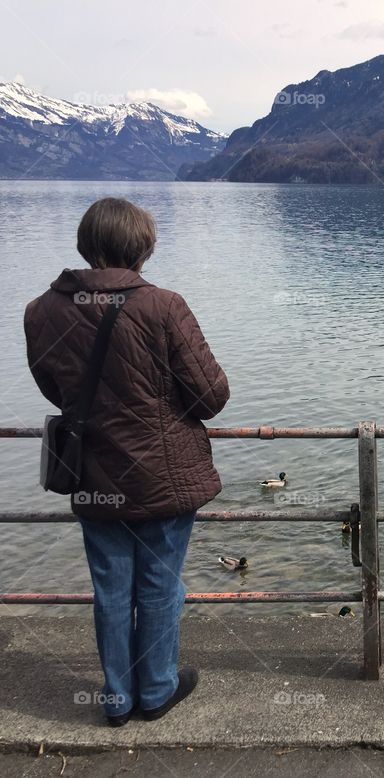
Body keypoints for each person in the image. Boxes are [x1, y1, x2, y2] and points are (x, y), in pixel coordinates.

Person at [23, 197, 229, 726]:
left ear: (85, 245)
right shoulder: (163, 306)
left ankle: (116, 698)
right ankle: (156, 689)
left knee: (110, 586)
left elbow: (57, 391)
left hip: (93, 472)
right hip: (163, 474)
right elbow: (210, 397)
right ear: (143, 247)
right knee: (160, 583)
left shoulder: (41, 310)